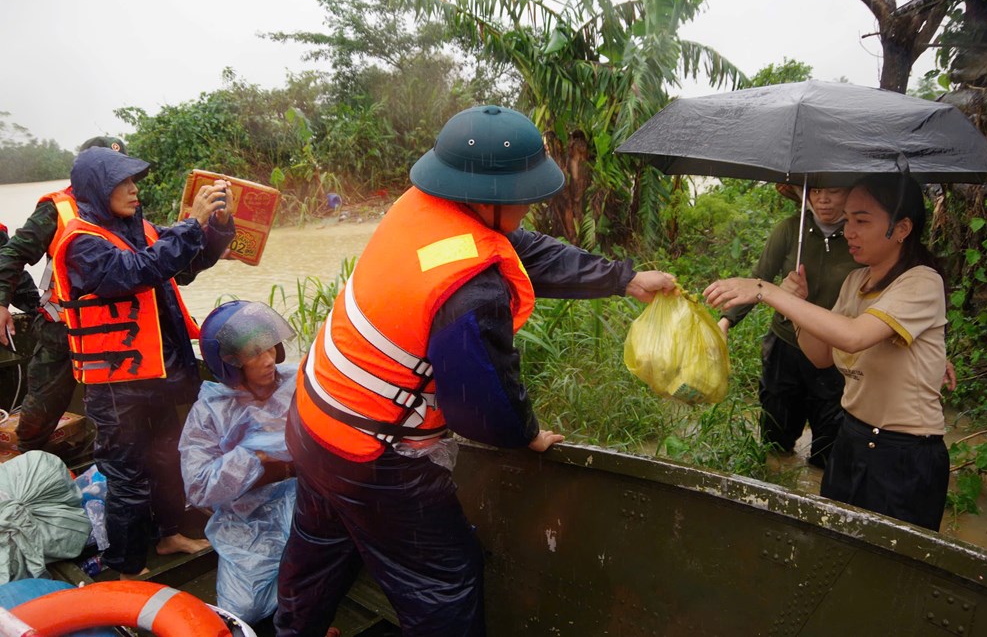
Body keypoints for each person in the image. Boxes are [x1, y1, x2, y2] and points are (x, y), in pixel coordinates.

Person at [273, 105, 676, 637]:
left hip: (312, 424)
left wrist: (622, 278)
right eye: (525, 196)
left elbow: (518, 247)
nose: (531, 206)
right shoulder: (471, 290)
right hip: (374, 460)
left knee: (318, 550)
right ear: (491, 199)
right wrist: (526, 433)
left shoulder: (421, 207)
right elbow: (482, 406)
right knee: (443, 580)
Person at [705, 173, 950, 531]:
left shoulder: (921, 281)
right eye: (848, 219)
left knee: (887, 573)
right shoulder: (857, 281)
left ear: (902, 228)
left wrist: (766, 290)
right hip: (851, 440)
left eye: (862, 221)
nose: (849, 231)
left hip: (903, 453)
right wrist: (792, 302)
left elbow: (853, 336)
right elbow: (821, 354)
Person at [50, 145, 235, 577]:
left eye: (135, 181)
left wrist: (215, 228)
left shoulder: (141, 229)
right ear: (98, 188)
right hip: (115, 388)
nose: (135, 190)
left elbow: (185, 262)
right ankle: (124, 567)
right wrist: (190, 222)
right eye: (124, 183)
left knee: (169, 460)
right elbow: (133, 272)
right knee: (129, 482)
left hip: (157, 377)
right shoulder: (81, 242)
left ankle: (170, 534)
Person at [0, 137, 126, 453]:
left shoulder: (128, 209)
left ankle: (110, 461)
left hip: (113, 332)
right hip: (63, 329)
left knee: (119, 411)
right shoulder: (56, 209)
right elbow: (13, 254)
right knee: (39, 412)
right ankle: (33, 462)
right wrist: (1, 302)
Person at [719, 185, 856, 468]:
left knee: (830, 448)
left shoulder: (858, 237)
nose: (823, 199)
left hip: (836, 352)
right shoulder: (791, 230)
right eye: (815, 191)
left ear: (851, 192)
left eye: (833, 190)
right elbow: (760, 278)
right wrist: (725, 321)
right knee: (775, 439)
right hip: (785, 347)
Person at [179, 300, 298, 625]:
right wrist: (254, 461)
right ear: (229, 364)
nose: (269, 360)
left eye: (270, 348)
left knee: (320, 583)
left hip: (308, 507)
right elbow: (199, 487)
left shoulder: (297, 382)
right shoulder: (210, 412)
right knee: (244, 611)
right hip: (249, 523)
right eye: (254, 354)